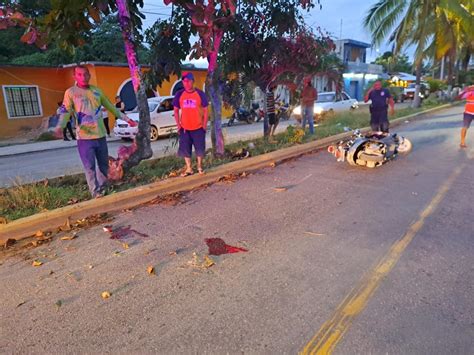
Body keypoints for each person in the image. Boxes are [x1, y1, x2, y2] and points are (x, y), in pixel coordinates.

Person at [55, 65, 130, 198]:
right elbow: (65, 110)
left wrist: (127, 119)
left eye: (85, 74)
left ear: (89, 75)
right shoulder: (71, 92)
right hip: (84, 138)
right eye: (79, 75)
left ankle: (104, 188)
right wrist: (60, 126)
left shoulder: (97, 91)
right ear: (75, 76)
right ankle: (95, 192)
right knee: (89, 167)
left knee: (103, 166)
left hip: (100, 136)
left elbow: (111, 107)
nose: (83, 77)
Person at [173, 72, 209, 176]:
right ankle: (189, 168)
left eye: (188, 81)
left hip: (198, 127)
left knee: (199, 148)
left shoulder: (200, 94)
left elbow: (206, 110)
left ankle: (199, 167)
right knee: (185, 148)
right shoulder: (179, 94)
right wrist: (178, 125)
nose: (186, 83)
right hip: (185, 128)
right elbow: (175, 110)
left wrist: (204, 125)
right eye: (184, 81)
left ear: (193, 81)